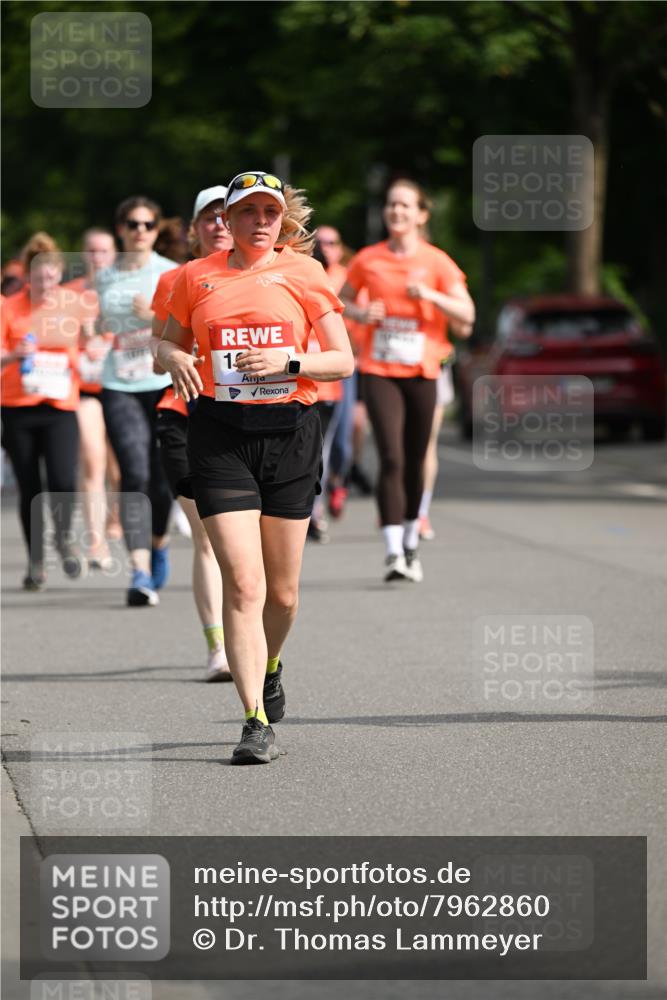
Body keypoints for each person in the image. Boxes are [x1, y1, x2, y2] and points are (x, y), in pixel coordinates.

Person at [158, 170, 354, 764]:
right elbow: (166, 342)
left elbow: (342, 360)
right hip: (219, 436)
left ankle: (271, 664)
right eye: (248, 212)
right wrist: (172, 358)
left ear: (282, 218)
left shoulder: (305, 273)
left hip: (290, 435)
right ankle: (254, 721)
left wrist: (288, 362)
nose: (261, 222)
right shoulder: (196, 276)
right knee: (244, 583)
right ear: (229, 219)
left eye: (270, 212)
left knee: (283, 594)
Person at [339, 179, 475, 582]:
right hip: (379, 369)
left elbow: (467, 315)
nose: (396, 211)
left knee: (416, 459)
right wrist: (360, 314)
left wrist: (431, 297)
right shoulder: (368, 259)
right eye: (391, 205)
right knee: (392, 457)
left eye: (405, 205)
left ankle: (412, 537)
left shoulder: (437, 262)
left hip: (422, 370)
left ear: (421, 215)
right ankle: (394, 550)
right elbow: (340, 300)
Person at [152, 185, 234, 681]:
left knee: (242, 543)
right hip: (183, 415)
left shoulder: (263, 276)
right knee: (206, 535)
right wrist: (178, 356)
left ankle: (250, 637)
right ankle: (217, 648)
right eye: (209, 218)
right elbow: (156, 351)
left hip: (243, 421)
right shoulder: (175, 279)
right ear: (194, 229)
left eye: (227, 216)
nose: (219, 226)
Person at [1, 233, 96, 589]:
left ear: (59, 274)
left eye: (52, 276)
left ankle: (64, 537)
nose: (46, 284)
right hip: (18, 407)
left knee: (62, 480)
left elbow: (92, 340)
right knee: (30, 487)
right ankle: (36, 562)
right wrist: (14, 355)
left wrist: (93, 345)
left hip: (60, 406)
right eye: (39, 278)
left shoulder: (73, 304)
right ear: (27, 276)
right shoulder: (9, 308)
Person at [96, 196, 178, 606]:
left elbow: (185, 326)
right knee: (133, 470)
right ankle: (139, 569)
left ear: (156, 230)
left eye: (148, 224)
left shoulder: (171, 273)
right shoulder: (104, 277)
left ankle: (159, 542)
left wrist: (151, 318)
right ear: (121, 229)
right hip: (119, 384)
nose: (140, 231)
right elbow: (94, 323)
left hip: (162, 383)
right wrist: (93, 331)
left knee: (161, 480)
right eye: (132, 224)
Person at [66, 228, 120, 568]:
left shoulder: (125, 290)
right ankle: (95, 541)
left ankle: (115, 515)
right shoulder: (69, 294)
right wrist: (81, 342)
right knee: (92, 460)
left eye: (104, 251)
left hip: (123, 389)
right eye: (92, 251)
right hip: (85, 390)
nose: (98, 258)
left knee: (121, 466)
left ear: (114, 254)